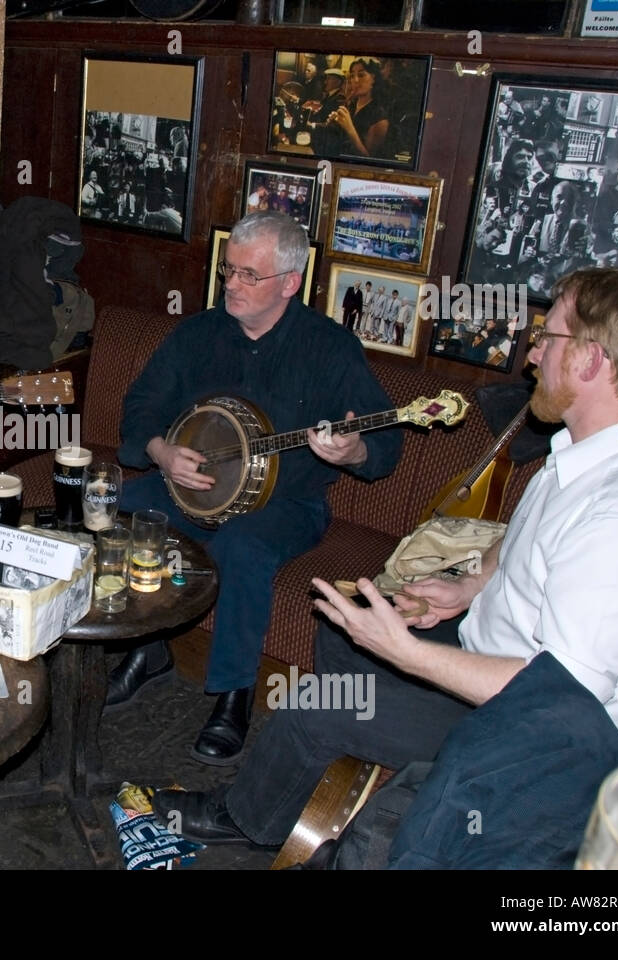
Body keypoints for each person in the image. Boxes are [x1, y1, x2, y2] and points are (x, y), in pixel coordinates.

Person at [149, 268, 618, 851]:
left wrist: (409, 654)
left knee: (314, 706)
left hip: (537, 740)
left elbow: (559, 701)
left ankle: (251, 816)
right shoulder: (584, 454)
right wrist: (470, 586)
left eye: (547, 337)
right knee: (341, 629)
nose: (530, 356)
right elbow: (529, 543)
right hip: (498, 655)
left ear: (591, 360)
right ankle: (355, 769)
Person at [109, 212, 402, 764]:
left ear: (290, 282)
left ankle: (233, 694)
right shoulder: (199, 332)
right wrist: (161, 452)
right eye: (228, 272)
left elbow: (383, 442)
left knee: (243, 546)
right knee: (119, 512)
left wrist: (354, 449)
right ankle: (147, 653)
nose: (232, 286)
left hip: (288, 502)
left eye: (249, 275)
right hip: (189, 488)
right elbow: (142, 403)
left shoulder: (330, 348)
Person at [325, 59, 389, 160]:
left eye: (361, 75)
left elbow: (368, 159)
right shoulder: (351, 104)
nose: (355, 80)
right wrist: (333, 124)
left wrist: (349, 127)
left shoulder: (379, 116)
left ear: (374, 79)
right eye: (352, 76)